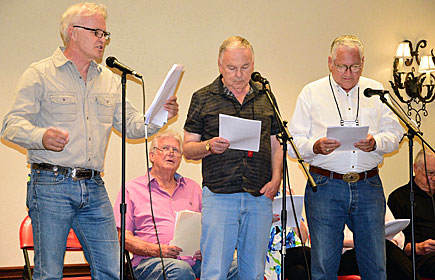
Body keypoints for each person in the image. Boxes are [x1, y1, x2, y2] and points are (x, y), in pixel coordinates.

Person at [0, 3, 178, 279]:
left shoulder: (109, 80)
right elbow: (10, 125)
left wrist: (160, 116)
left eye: (105, 34)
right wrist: (42, 137)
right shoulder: (40, 74)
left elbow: (132, 126)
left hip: (93, 186)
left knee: (112, 270)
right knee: (49, 274)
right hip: (50, 184)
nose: (103, 39)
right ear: (73, 33)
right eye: (97, 32)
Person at [289, 34, 403, 279]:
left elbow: (396, 133)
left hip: (368, 185)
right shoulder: (312, 92)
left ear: (363, 62)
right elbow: (292, 142)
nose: (348, 73)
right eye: (342, 66)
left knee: (376, 265)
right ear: (330, 62)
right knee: (324, 266)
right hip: (325, 186)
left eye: (355, 66)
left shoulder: (376, 91)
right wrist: (315, 147)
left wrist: (376, 143)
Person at [183, 35, 283, 279]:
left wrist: (276, 179)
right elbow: (187, 148)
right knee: (215, 269)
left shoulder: (266, 97)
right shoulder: (203, 97)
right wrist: (208, 146)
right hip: (220, 196)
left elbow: (277, 142)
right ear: (220, 65)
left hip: (259, 194)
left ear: (253, 63)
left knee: (254, 271)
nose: (239, 74)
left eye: (245, 67)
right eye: (232, 68)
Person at [114, 131, 238, 280]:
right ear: (152, 155)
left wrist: (204, 248)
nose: (171, 153)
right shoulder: (131, 189)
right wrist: (157, 250)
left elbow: (209, 227)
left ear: (180, 158)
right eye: (165, 148)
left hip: (193, 260)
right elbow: (123, 237)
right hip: (150, 261)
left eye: (176, 150)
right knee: (180, 270)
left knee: (237, 267)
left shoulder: (193, 188)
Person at [388, 148, 435, 278]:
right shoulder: (399, 197)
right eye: (430, 173)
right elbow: (392, 245)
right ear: (415, 168)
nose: (434, 178)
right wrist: (418, 247)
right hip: (418, 258)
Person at [338, 206, 419, 280]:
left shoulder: (373, 194)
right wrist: (363, 243)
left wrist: (387, 242)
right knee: (384, 250)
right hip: (345, 256)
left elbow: (398, 236)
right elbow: (329, 242)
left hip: (380, 249)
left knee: (386, 251)